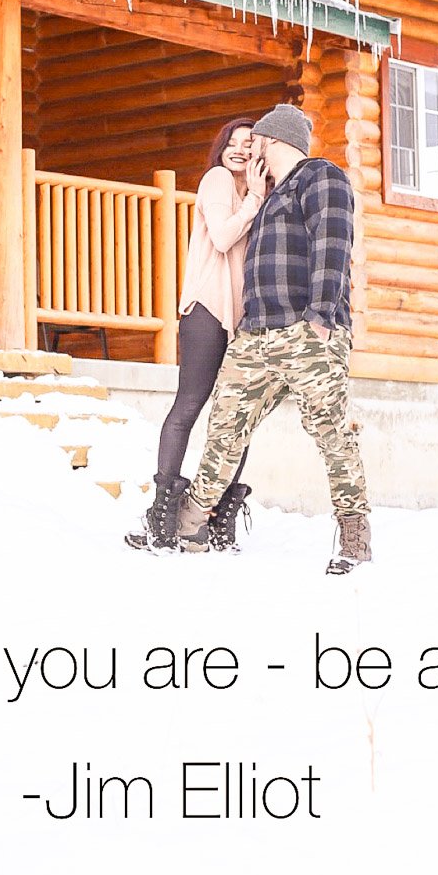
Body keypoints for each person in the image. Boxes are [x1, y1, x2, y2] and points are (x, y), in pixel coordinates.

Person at [171, 103, 373, 576]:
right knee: (225, 427)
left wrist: (321, 317)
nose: (246, 149)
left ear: (273, 141)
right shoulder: (266, 197)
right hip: (255, 335)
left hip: (307, 333)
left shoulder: (321, 177)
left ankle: (355, 537)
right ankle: (189, 523)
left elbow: (333, 244)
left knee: (331, 432)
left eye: (255, 139)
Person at [125, 117, 268, 554]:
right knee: (189, 406)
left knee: (237, 419)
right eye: (233, 141)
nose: (240, 149)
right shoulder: (218, 179)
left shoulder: (259, 195)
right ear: (221, 147)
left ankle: (214, 520)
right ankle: (162, 521)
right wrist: (255, 200)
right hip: (207, 310)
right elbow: (223, 238)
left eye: (250, 143)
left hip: (245, 318)